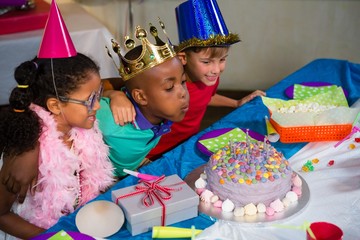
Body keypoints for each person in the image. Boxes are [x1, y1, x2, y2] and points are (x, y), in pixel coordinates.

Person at [0, 1, 114, 238]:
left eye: (99, 95)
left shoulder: (83, 128)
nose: (97, 105)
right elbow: (1, 214)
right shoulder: (25, 150)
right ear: (54, 105)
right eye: (90, 99)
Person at [145, 0, 266, 159]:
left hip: (188, 143)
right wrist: (118, 97)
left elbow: (207, 97)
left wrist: (236, 103)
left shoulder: (209, 77)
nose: (216, 70)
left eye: (222, 60)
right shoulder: (170, 84)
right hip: (154, 152)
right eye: (206, 62)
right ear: (183, 58)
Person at [96, 23, 189, 178]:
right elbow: (73, 100)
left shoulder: (161, 113)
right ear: (141, 97)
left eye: (183, 82)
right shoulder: (111, 121)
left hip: (132, 168)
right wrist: (111, 94)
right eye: (169, 87)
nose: (183, 93)